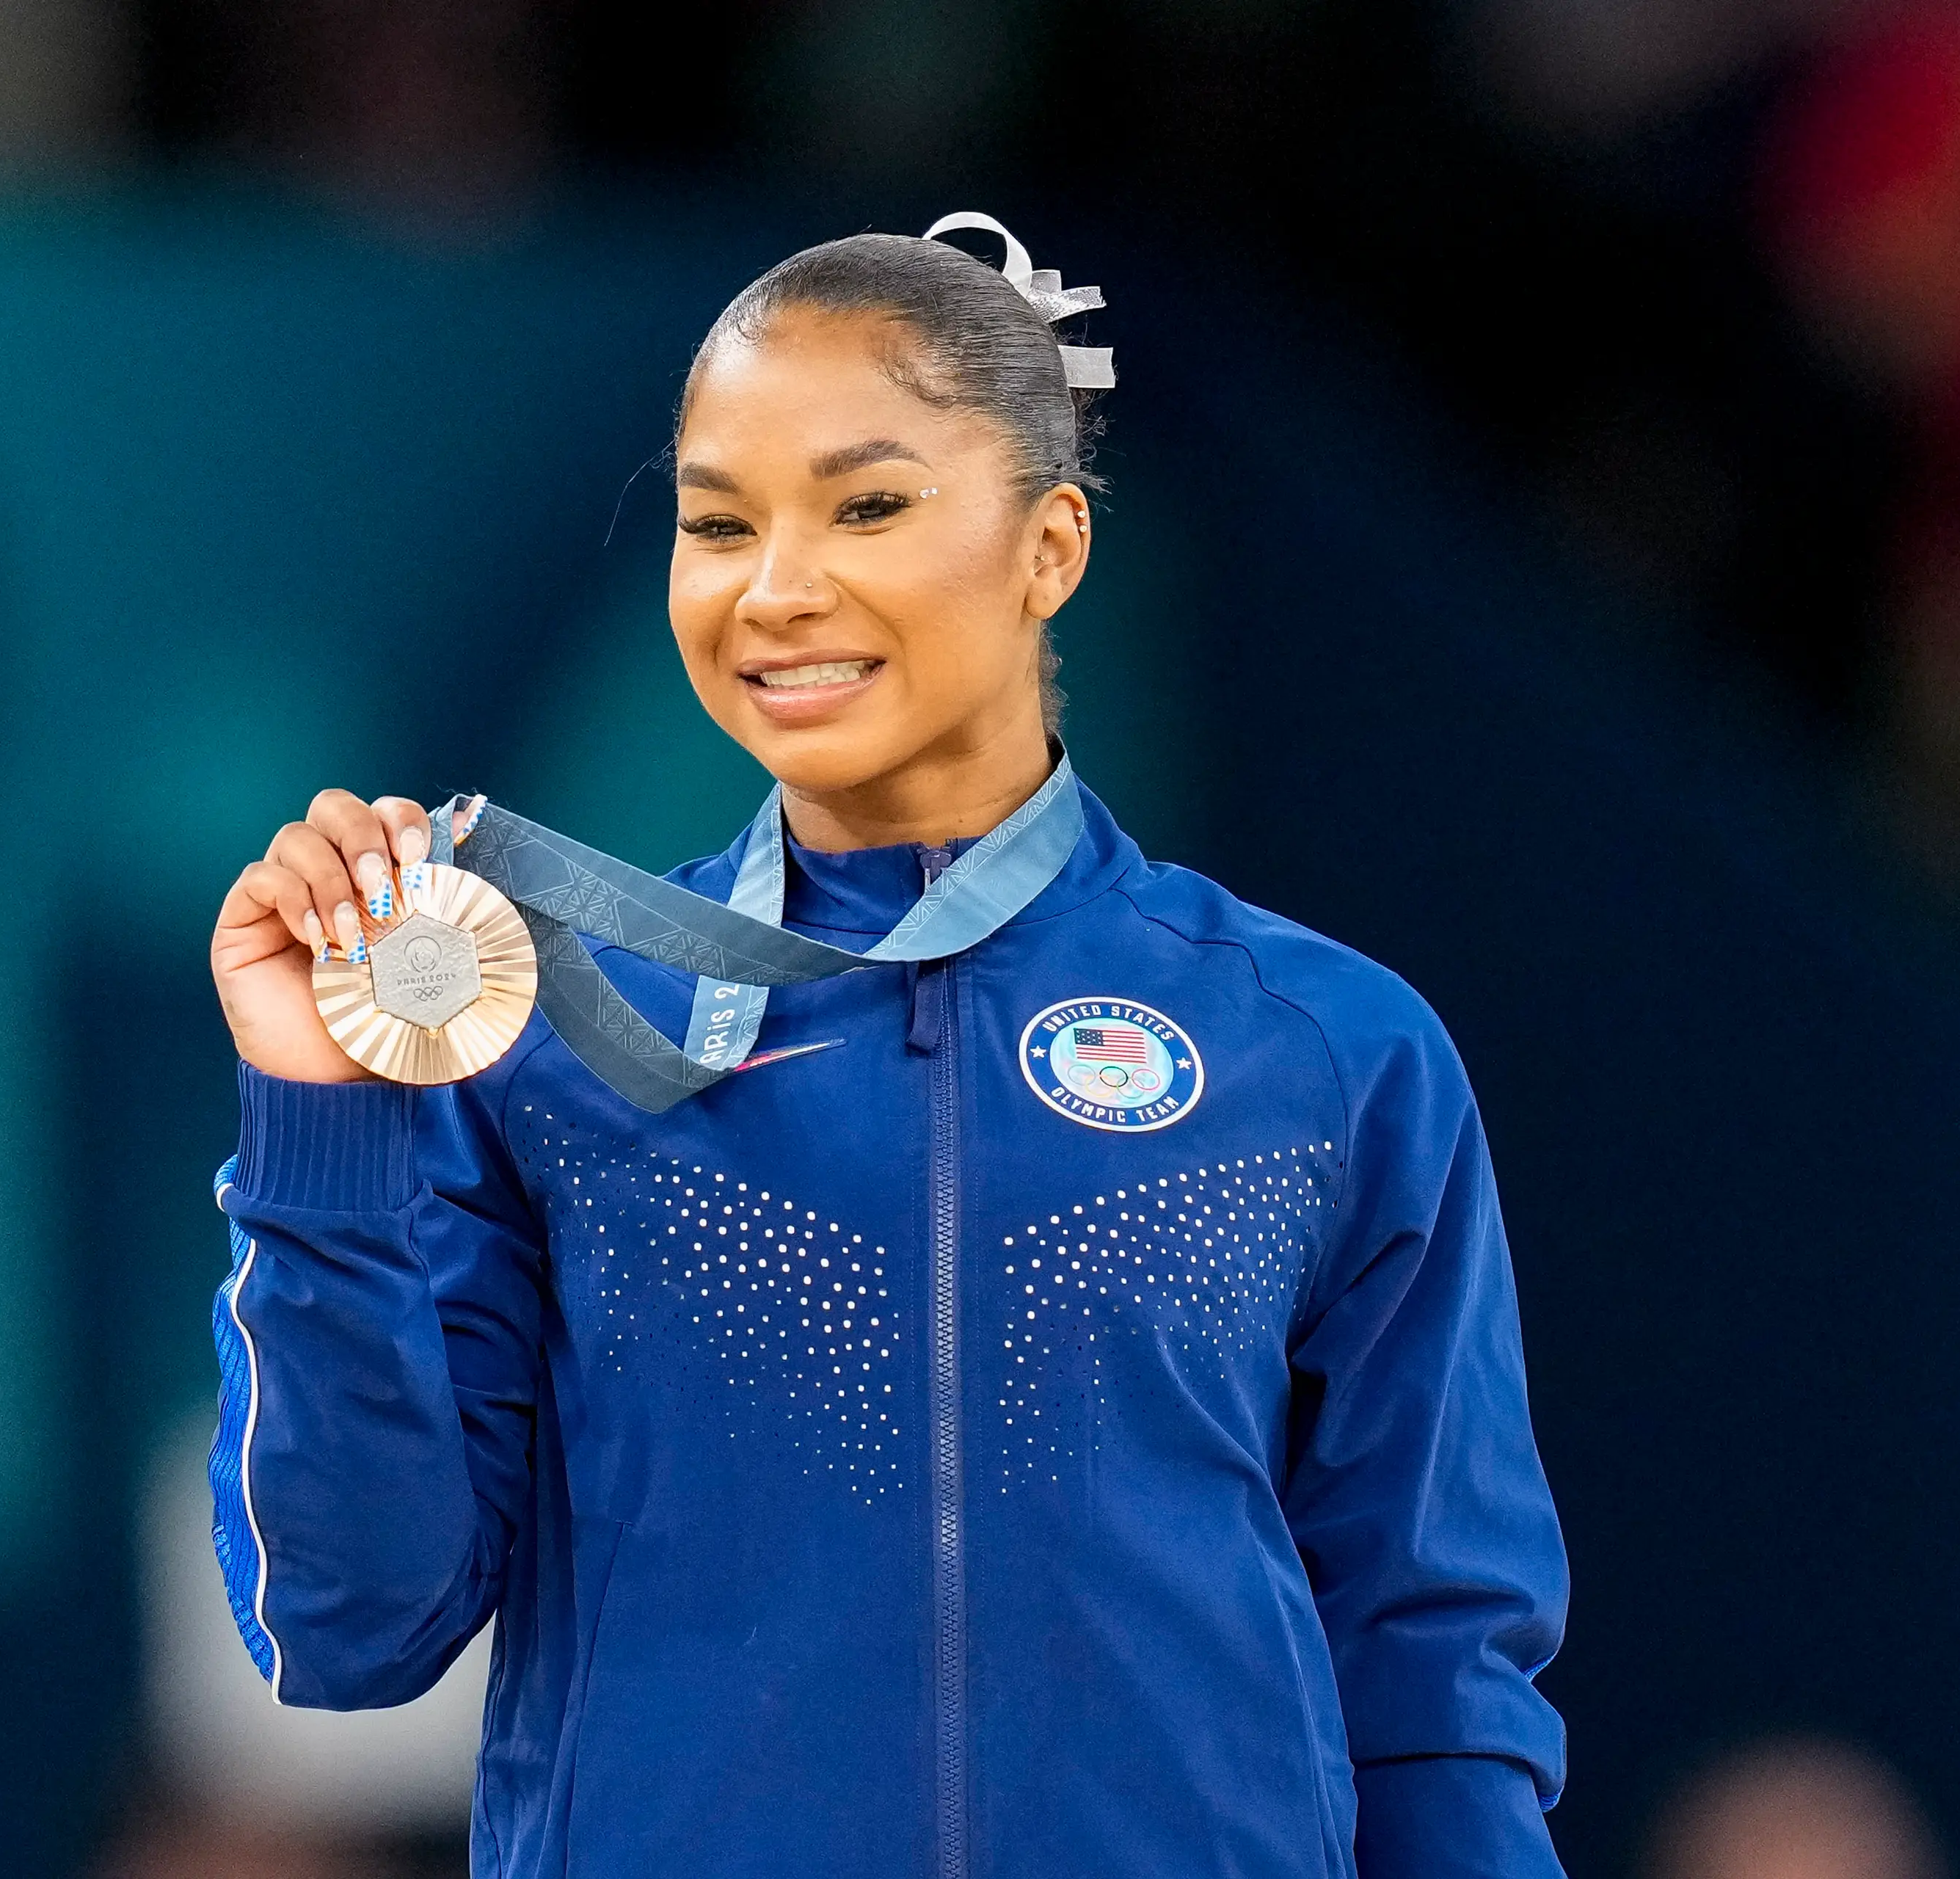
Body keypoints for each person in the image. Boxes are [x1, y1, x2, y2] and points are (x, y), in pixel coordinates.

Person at [205, 215, 1568, 1878]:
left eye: (867, 505)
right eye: (718, 522)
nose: (776, 588)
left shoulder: (1322, 1052)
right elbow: (348, 1621)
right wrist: (319, 1114)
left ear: (1048, 546)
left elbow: (1434, 1675)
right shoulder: (557, 1041)